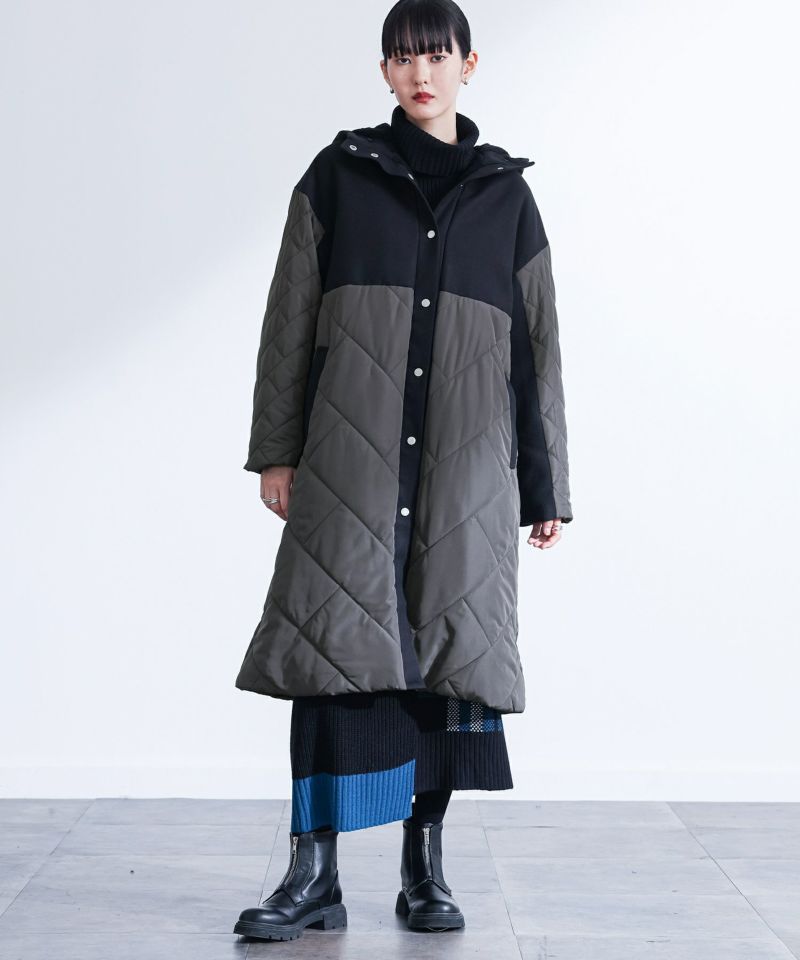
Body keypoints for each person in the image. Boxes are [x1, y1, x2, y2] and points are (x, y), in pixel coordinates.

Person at [233, 0, 573, 941]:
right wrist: (277, 450)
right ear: (384, 70)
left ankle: (425, 870)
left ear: (470, 63)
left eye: (436, 55)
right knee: (326, 658)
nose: (421, 73)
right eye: (403, 57)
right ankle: (313, 874)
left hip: (467, 474)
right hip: (352, 464)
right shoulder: (338, 176)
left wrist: (545, 486)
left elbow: (536, 353)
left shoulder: (507, 200)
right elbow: (289, 320)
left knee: (445, 671)